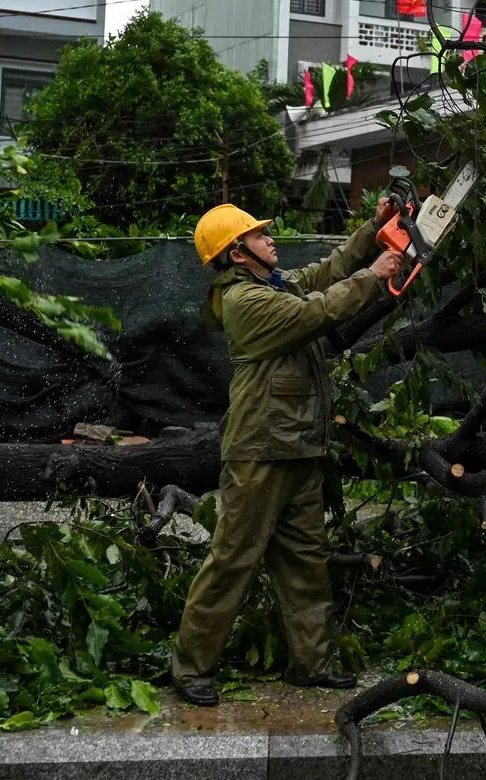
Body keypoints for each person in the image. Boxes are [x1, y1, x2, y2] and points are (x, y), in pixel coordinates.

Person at [171, 201, 402, 707]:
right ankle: (191, 668)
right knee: (234, 558)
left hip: (296, 444)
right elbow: (315, 313)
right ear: (236, 254)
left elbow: (327, 270)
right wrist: (374, 275)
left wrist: (373, 229)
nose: (270, 239)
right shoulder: (244, 302)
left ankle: (312, 665)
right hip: (260, 450)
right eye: (258, 236)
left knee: (305, 562)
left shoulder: (274, 282)